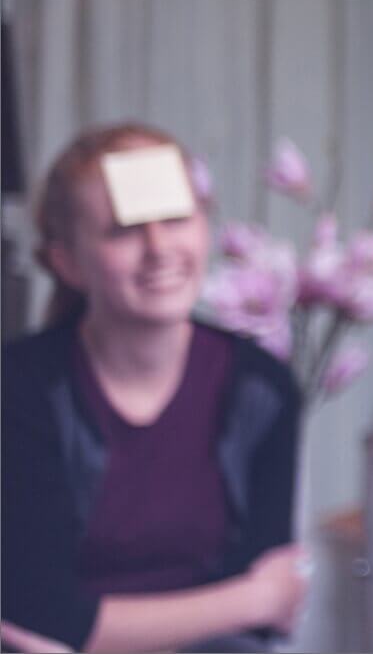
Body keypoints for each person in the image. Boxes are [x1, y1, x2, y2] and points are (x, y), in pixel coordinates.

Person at [1, 123, 306, 653]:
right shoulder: (19, 390)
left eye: (176, 218)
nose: (159, 248)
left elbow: (268, 620)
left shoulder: (263, 388)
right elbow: (39, 616)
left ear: (206, 226)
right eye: (124, 230)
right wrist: (249, 599)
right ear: (66, 261)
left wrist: (255, 606)